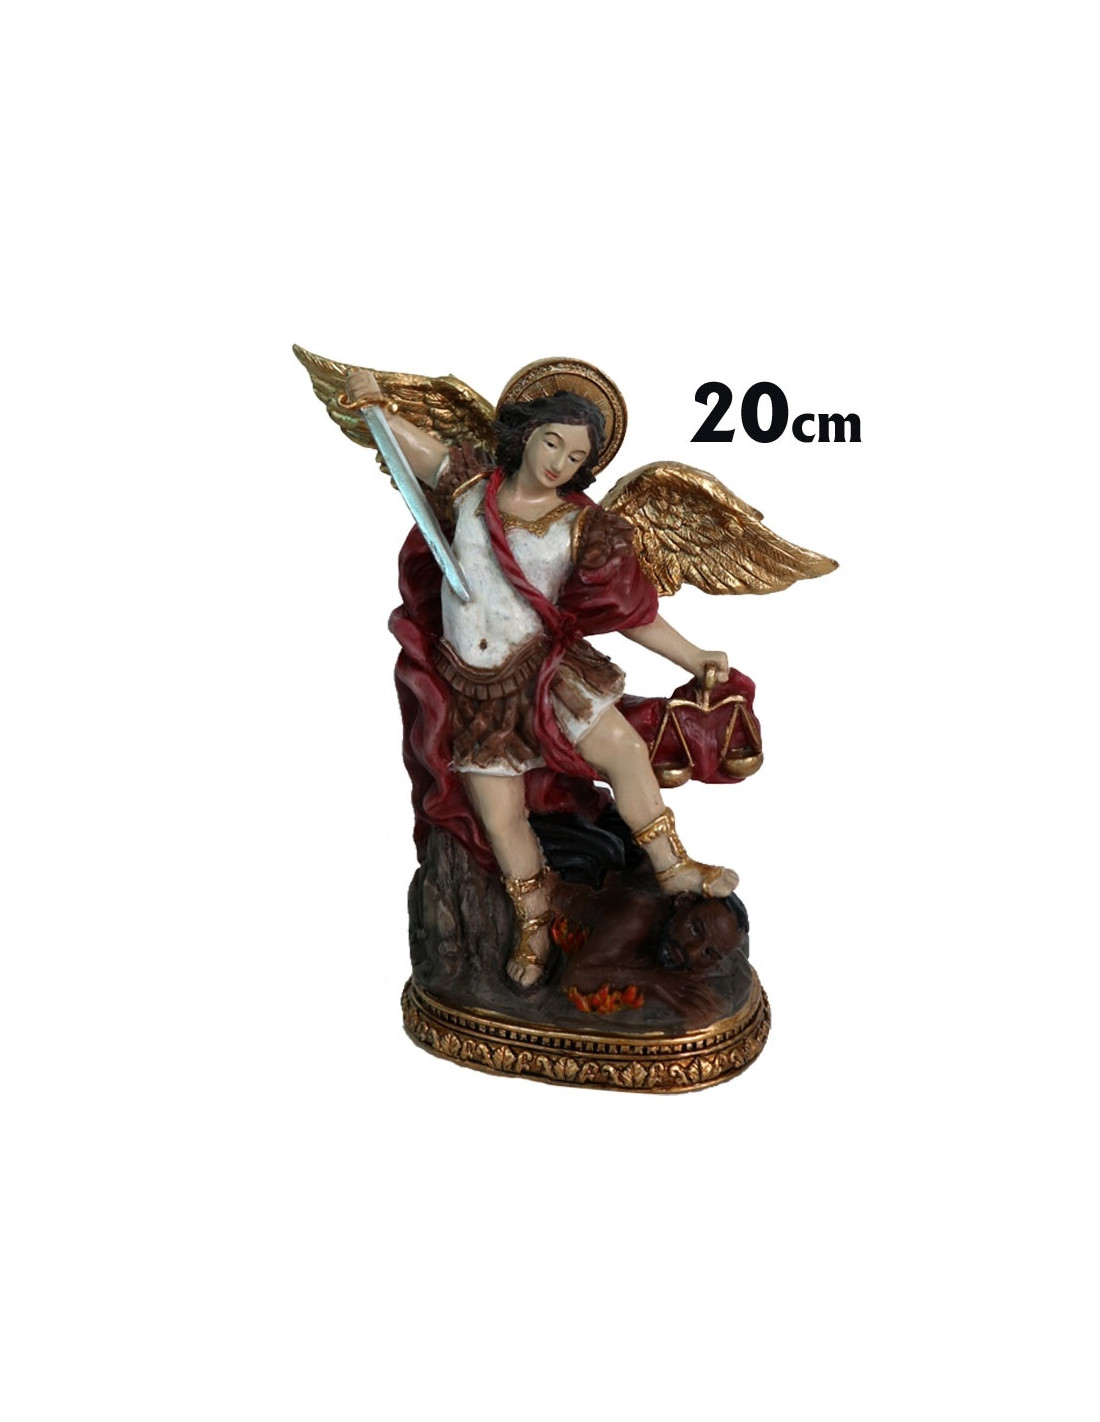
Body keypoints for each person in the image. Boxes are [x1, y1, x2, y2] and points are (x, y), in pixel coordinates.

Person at [346, 368, 739, 990]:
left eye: (576, 456)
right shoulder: (471, 484)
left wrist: (691, 656)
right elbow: (415, 450)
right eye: (552, 442)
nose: (559, 462)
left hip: (546, 673)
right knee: (500, 816)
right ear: (527, 435)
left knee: (623, 749)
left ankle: (672, 867)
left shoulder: (581, 526)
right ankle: (534, 921)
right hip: (475, 688)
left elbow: (630, 613)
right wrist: (374, 403)